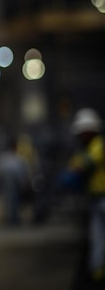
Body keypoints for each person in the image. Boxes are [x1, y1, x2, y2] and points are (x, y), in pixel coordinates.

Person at [62, 108, 105, 285]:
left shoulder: (100, 145)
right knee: (97, 239)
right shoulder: (86, 148)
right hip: (95, 200)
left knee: (99, 239)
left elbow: (82, 165)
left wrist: (75, 168)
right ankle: (97, 276)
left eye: (84, 132)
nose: (81, 136)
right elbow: (74, 165)